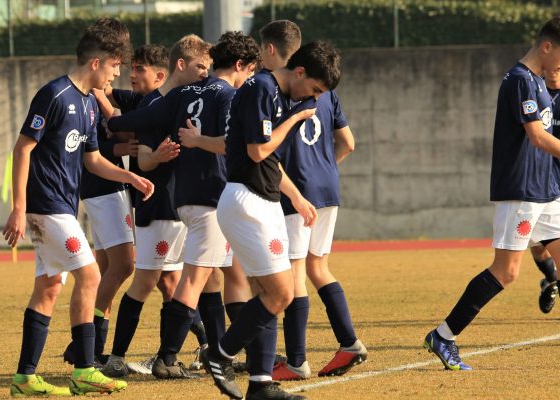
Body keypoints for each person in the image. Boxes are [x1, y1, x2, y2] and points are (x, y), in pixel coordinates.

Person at [2, 25, 154, 397]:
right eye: (115, 66)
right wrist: (19, 209)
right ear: (97, 62)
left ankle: (25, 378)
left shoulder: (88, 104)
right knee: (90, 276)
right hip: (46, 207)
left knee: (50, 287)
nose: (117, 74)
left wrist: (129, 178)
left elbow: (93, 159)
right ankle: (85, 368)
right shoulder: (54, 94)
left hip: (62, 206)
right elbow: (23, 149)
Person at [105, 31, 260, 380]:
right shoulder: (232, 96)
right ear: (241, 66)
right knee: (190, 280)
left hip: (186, 199)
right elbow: (236, 145)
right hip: (209, 199)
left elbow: (140, 120)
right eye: (250, 71)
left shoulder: (182, 94)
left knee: (217, 277)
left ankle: (223, 350)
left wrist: (112, 122)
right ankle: (168, 357)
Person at [424, 16, 560, 371]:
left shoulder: (538, 81)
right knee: (506, 272)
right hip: (520, 190)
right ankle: (444, 335)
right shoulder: (520, 80)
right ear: (546, 47)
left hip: (545, 188)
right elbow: (536, 136)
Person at [201, 40, 341, 400]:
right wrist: (294, 119)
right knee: (281, 293)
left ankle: (261, 383)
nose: (313, 99)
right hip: (248, 201)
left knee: (267, 293)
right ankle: (220, 352)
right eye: (314, 89)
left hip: (264, 200)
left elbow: (268, 161)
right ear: (299, 72)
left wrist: (296, 196)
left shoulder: (274, 92)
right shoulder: (263, 87)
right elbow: (258, 150)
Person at [96, 35, 214, 378]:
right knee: (147, 281)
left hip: (187, 206)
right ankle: (117, 356)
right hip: (159, 206)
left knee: (194, 280)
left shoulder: (189, 99)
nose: (204, 73)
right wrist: (156, 156)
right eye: (199, 67)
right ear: (181, 66)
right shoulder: (155, 106)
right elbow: (145, 161)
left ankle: (187, 353)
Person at [260, 20, 365, 380]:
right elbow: (348, 143)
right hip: (328, 191)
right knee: (317, 268)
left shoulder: (279, 91)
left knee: (295, 277)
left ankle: (296, 361)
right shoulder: (328, 94)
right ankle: (349, 343)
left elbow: (268, 149)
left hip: (296, 195)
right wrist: (325, 169)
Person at [63, 16, 135, 369]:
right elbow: (109, 141)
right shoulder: (84, 93)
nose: (118, 71)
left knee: (108, 265)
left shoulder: (96, 94)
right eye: (117, 61)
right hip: (103, 186)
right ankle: (85, 346)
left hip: (108, 184)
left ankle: (89, 345)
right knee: (124, 265)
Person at [529, 68, 560, 320]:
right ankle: (551, 278)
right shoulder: (534, 90)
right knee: (538, 247)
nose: (558, 68)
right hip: (541, 181)